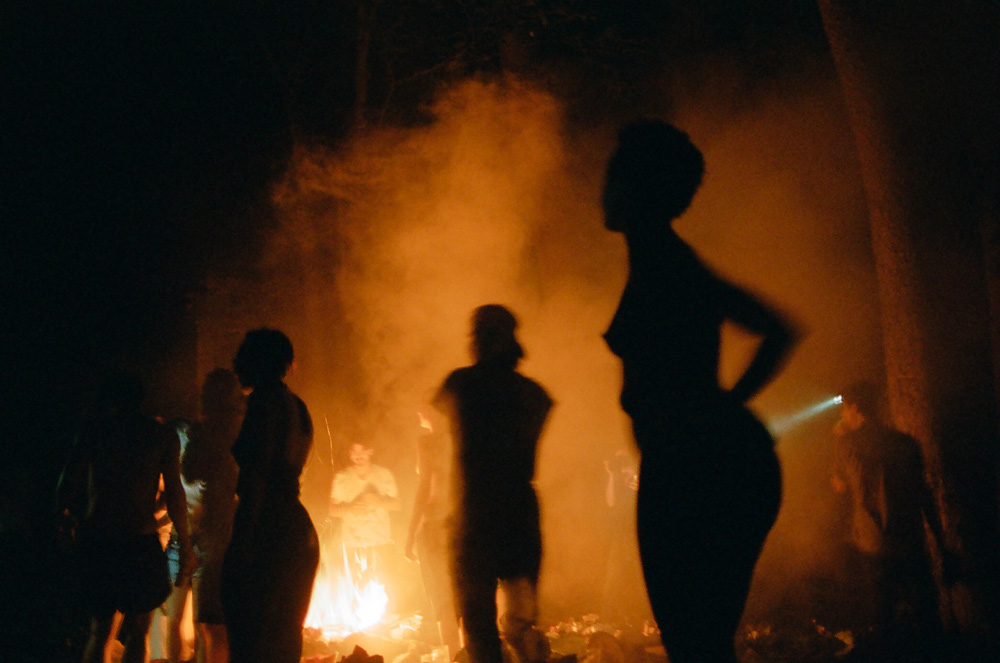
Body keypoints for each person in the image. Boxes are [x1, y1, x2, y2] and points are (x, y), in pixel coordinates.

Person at [601, 120, 799, 663]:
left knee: (696, 641)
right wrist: (724, 408)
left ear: (640, 186)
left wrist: (718, 411)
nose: (604, 187)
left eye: (615, 174)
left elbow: (778, 329)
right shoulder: (665, 262)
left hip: (695, 466)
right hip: (701, 459)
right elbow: (776, 330)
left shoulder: (668, 266)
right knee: (700, 639)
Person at [433, 304, 553, 663]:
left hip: (475, 517)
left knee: (480, 630)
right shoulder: (533, 394)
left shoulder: (460, 385)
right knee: (521, 622)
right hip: (519, 516)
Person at [55, 372, 195, 663]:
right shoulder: (159, 435)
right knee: (137, 634)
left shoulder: (94, 432)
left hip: (99, 540)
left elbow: (67, 485)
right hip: (139, 542)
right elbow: (175, 493)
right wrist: (185, 541)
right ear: (140, 399)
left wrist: (61, 521)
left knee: (99, 632)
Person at [831, 380, 955, 656]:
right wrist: (942, 545)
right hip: (909, 540)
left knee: (884, 619)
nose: (842, 415)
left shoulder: (846, 444)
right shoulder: (905, 443)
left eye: (844, 409)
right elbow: (924, 495)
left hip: (873, 545)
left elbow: (839, 486)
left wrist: (839, 444)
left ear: (855, 408)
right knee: (927, 616)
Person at [221, 329, 319, 663]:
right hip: (297, 528)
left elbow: (258, 474)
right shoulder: (297, 405)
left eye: (243, 355)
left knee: (249, 642)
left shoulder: (263, 402)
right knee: (284, 639)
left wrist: (244, 538)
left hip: (268, 527)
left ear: (261, 361)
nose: (236, 364)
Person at [183, 368, 245, 663]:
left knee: (213, 623)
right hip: (243, 528)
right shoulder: (247, 427)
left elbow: (189, 471)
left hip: (216, 532)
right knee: (229, 623)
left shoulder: (205, 432)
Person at [404, 408, 462, 658]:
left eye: (423, 406)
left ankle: (454, 656)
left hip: (436, 525)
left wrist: (410, 533)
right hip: (461, 523)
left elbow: (424, 485)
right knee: (462, 597)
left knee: (443, 599)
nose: (418, 411)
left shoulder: (427, 442)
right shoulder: (461, 438)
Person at [330, 440, 401, 588]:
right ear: (350, 454)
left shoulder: (384, 475)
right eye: (354, 451)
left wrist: (379, 501)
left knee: (380, 587)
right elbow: (332, 510)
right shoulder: (341, 478)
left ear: (371, 451)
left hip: (379, 542)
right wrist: (351, 508)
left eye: (362, 450)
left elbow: (397, 504)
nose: (358, 455)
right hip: (352, 544)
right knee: (354, 589)